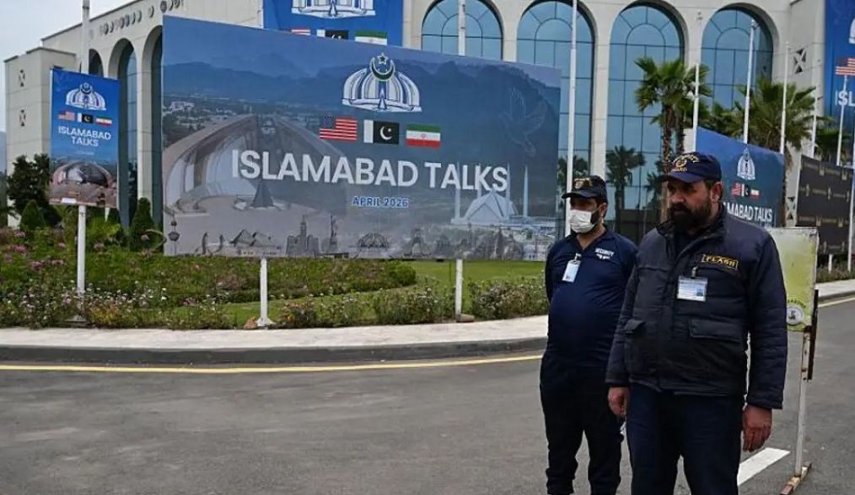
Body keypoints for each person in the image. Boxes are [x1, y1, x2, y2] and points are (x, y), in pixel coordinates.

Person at [605, 152, 787, 495]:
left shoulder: (752, 246)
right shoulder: (653, 242)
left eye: (688, 190)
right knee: (647, 487)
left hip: (711, 401)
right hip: (649, 396)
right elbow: (628, 313)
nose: (677, 198)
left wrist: (761, 401)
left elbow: (770, 331)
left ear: (716, 191)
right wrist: (618, 378)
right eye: (672, 189)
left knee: (713, 488)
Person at [541, 175, 637, 495]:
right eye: (574, 203)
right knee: (559, 449)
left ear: (602, 209)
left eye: (586, 204)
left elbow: (634, 306)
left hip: (602, 370)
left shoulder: (624, 252)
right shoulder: (559, 252)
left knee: (604, 451)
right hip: (558, 369)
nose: (578, 210)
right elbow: (554, 294)